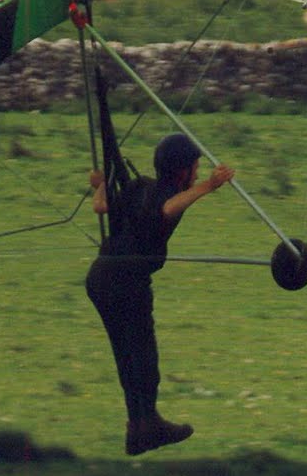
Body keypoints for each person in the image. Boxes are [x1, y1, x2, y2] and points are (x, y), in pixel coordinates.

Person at [85, 132, 233, 456]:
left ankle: (138, 428)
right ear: (182, 171)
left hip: (100, 277)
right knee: (143, 358)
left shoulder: (140, 186)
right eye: (195, 167)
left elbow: (100, 205)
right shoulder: (168, 195)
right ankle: (146, 426)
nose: (197, 172)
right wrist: (209, 186)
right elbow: (167, 209)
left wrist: (101, 185)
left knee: (127, 356)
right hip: (127, 282)